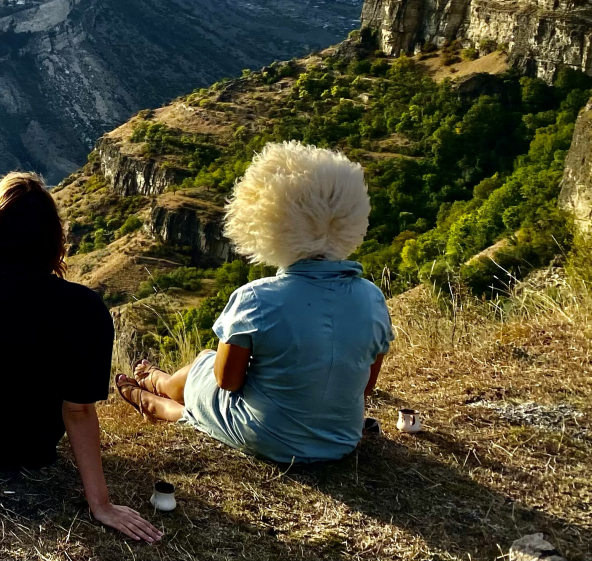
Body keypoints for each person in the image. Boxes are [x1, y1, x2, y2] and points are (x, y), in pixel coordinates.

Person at [0, 172, 163, 544]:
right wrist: (101, 505)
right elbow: (78, 411)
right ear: (53, 239)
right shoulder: (86, 310)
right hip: (24, 451)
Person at [115, 141, 394, 465]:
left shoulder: (256, 298)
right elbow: (365, 387)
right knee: (214, 374)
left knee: (205, 364)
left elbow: (228, 382)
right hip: (340, 440)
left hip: (268, 439)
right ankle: (156, 383)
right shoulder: (372, 298)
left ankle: (153, 396)